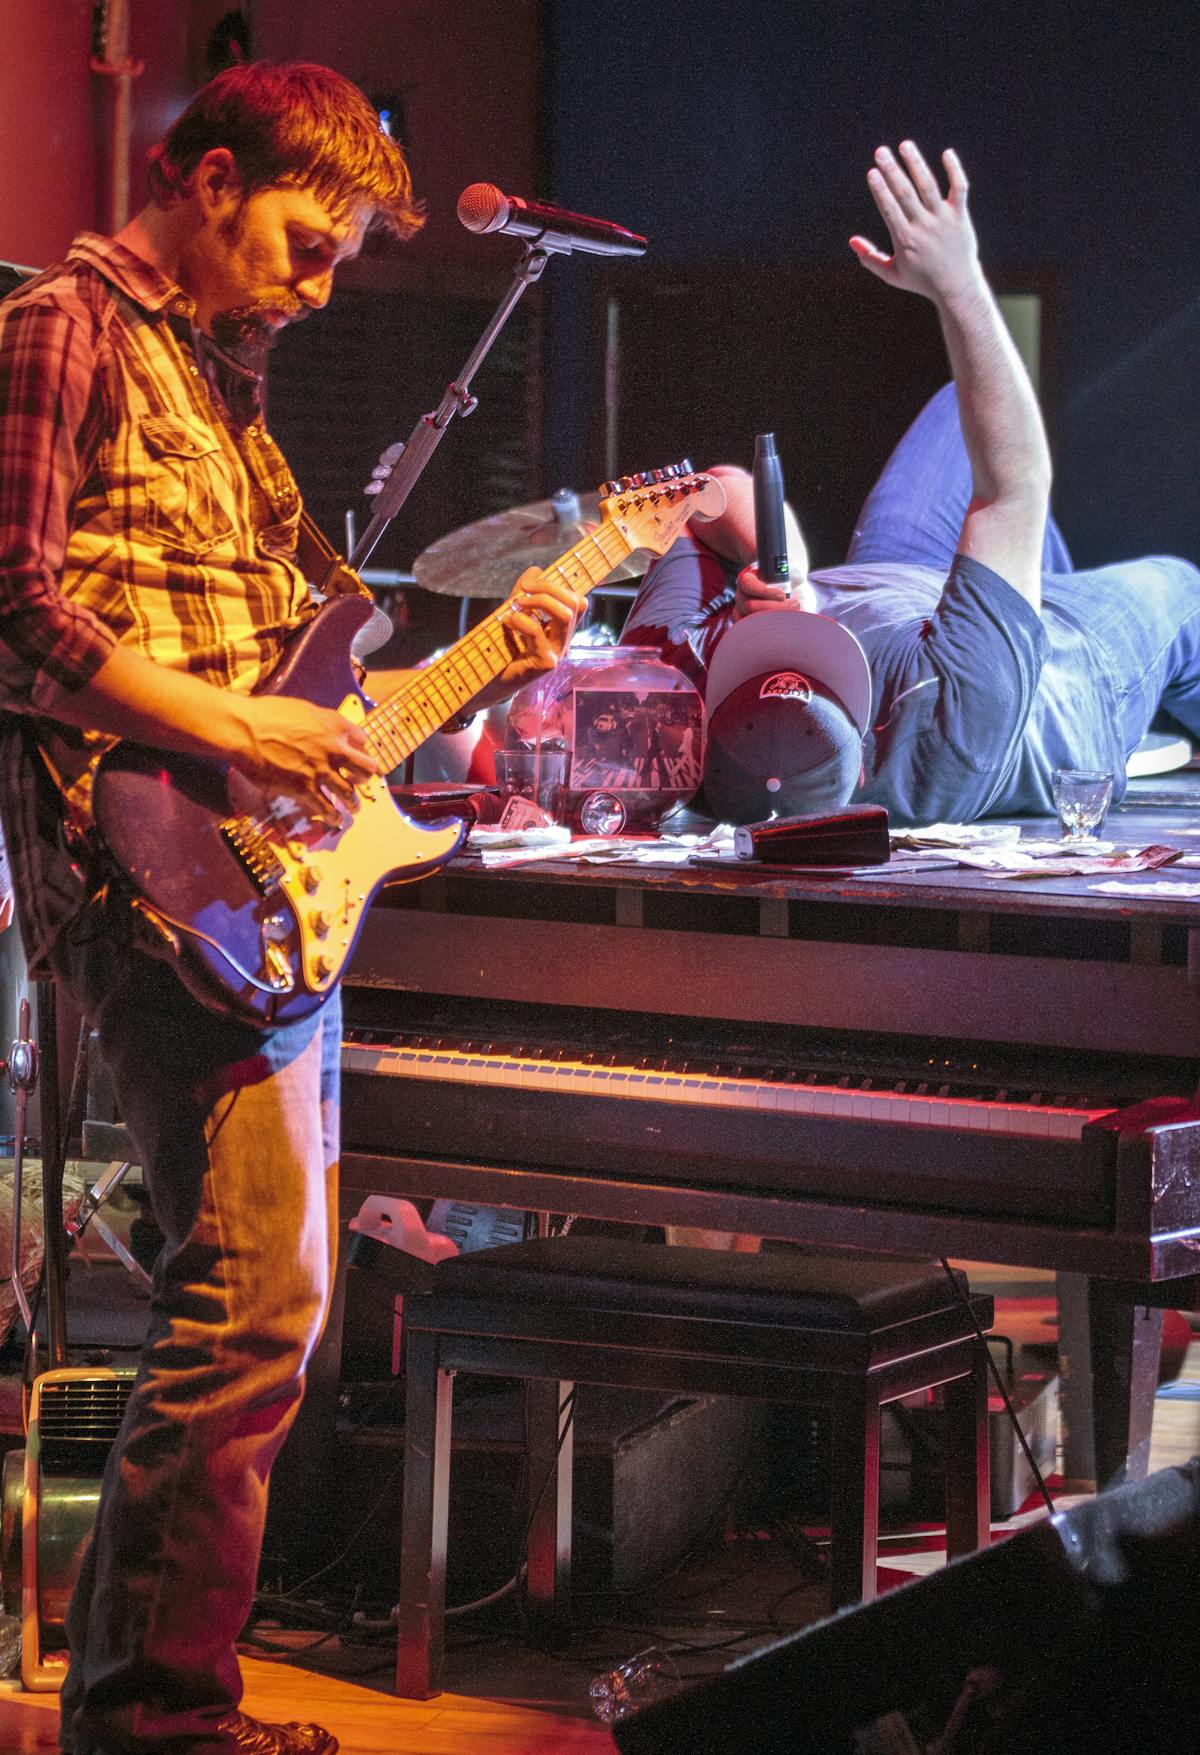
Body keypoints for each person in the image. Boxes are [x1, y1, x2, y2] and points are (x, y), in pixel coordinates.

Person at [0, 63, 584, 1755]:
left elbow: (317, 646)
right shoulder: (63, 330)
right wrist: (239, 729)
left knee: (273, 1304)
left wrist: (466, 672)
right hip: (147, 860)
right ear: (199, 172)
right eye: (306, 240)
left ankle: (151, 1696)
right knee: (251, 1302)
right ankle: (153, 1715)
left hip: (259, 870)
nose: (320, 285)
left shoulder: (218, 374)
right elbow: (12, 604)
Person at [623, 141, 1200, 828]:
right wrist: (959, 283)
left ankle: (1003, 598)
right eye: (815, 655)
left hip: (894, 575)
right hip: (1066, 681)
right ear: (861, 746)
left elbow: (708, 494)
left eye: (773, 650)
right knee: (1180, 589)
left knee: (964, 407)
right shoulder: (952, 729)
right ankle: (1016, 624)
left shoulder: (673, 686)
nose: (799, 632)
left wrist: (777, 563)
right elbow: (1014, 484)